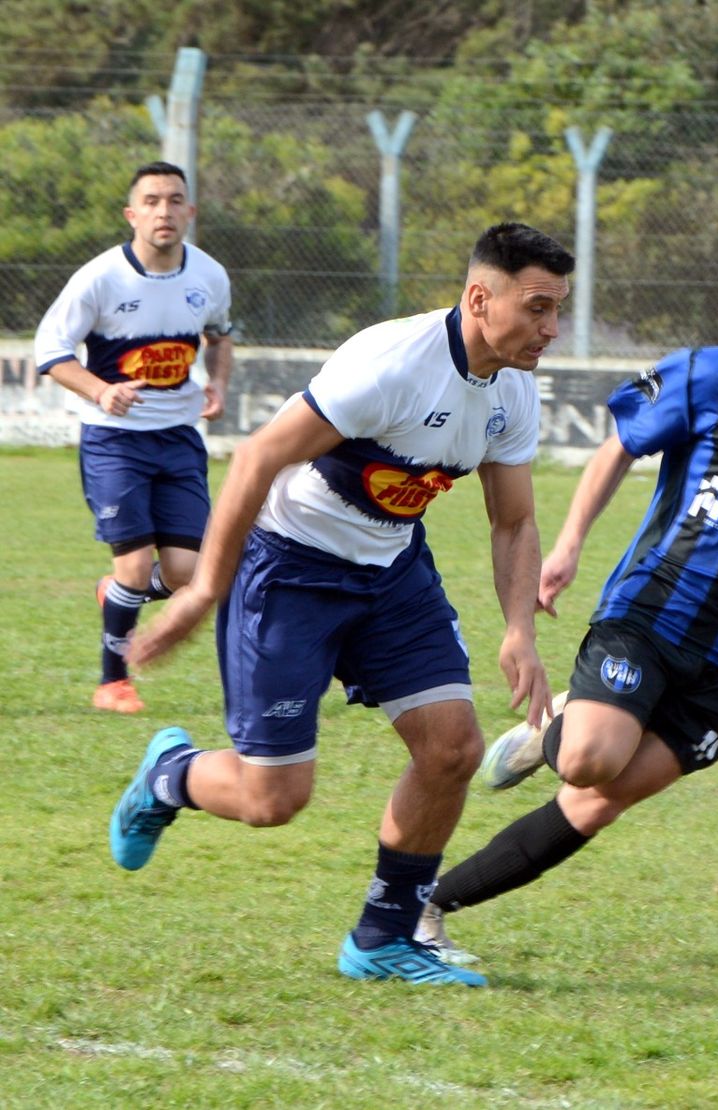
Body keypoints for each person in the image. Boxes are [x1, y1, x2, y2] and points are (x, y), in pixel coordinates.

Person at [109, 222, 574, 988]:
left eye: (557, 310)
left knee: (452, 748)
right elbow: (259, 454)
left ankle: (382, 939)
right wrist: (203, 591)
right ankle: (170, 775)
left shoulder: (513, 391)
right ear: (479, 297)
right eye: (537, 309)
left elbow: (514, 519)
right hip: (289, 570)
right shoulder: (391, 364)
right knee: (273, 798)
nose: (550, 330)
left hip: (392, 569)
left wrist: (519, 629)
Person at [414, 235, 718, 964]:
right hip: (655, 608)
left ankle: (429, 907)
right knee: (585, 759)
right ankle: (555, 734)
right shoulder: (717, 371)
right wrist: (571, 542)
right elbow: (621, 445)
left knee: (600, 799)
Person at [33, 161, 234, 714]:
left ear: (190, 212)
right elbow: (49, 352)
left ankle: (120, 596)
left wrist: (215, 385)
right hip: (114, 440)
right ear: (132, 214)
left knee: (188, 574)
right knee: (133, 564)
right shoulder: (100, 279)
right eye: (151, 201)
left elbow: (219, 338)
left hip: (179, 438)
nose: (163, 211)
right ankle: (113, 682)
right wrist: (101, 392)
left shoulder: (210, 276)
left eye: (174, 200)